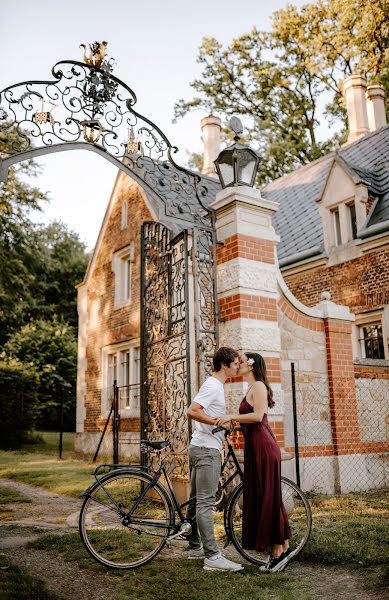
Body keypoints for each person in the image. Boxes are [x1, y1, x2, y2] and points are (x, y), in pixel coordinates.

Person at [215, 352, 293, 573]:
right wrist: (236, 426)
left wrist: (232, 417)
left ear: (251, 365)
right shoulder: (251, 388)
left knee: (268, 497)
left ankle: (277, 553)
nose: (237, 364)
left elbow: (259, 417)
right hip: (256, 446)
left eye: (241, 361)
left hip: (263, 448)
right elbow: (253, 420)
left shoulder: (258, 385)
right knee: (266, 497)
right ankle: (284, 547)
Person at [186, 346, 243, 572]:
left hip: (200, 446)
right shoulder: (213, 385)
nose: (238, 366)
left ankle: (194, 547)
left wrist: (226, 423)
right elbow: (192, 411)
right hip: (206, 450)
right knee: (204, 503)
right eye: (236, 363)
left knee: (194, 501)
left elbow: (204, 415)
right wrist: (217, 422)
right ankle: (212, 556)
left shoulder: (216, 386)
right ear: (225, 364)